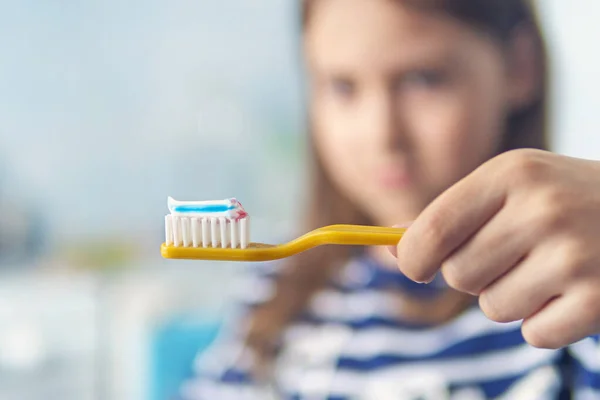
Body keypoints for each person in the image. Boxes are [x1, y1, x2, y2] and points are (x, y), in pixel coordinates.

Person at [179, 0, 600, 398]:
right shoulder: (273, 299)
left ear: (520, 67)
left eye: (423, 79)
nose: (382, 134)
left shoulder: (572, 299)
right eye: (343, 86)